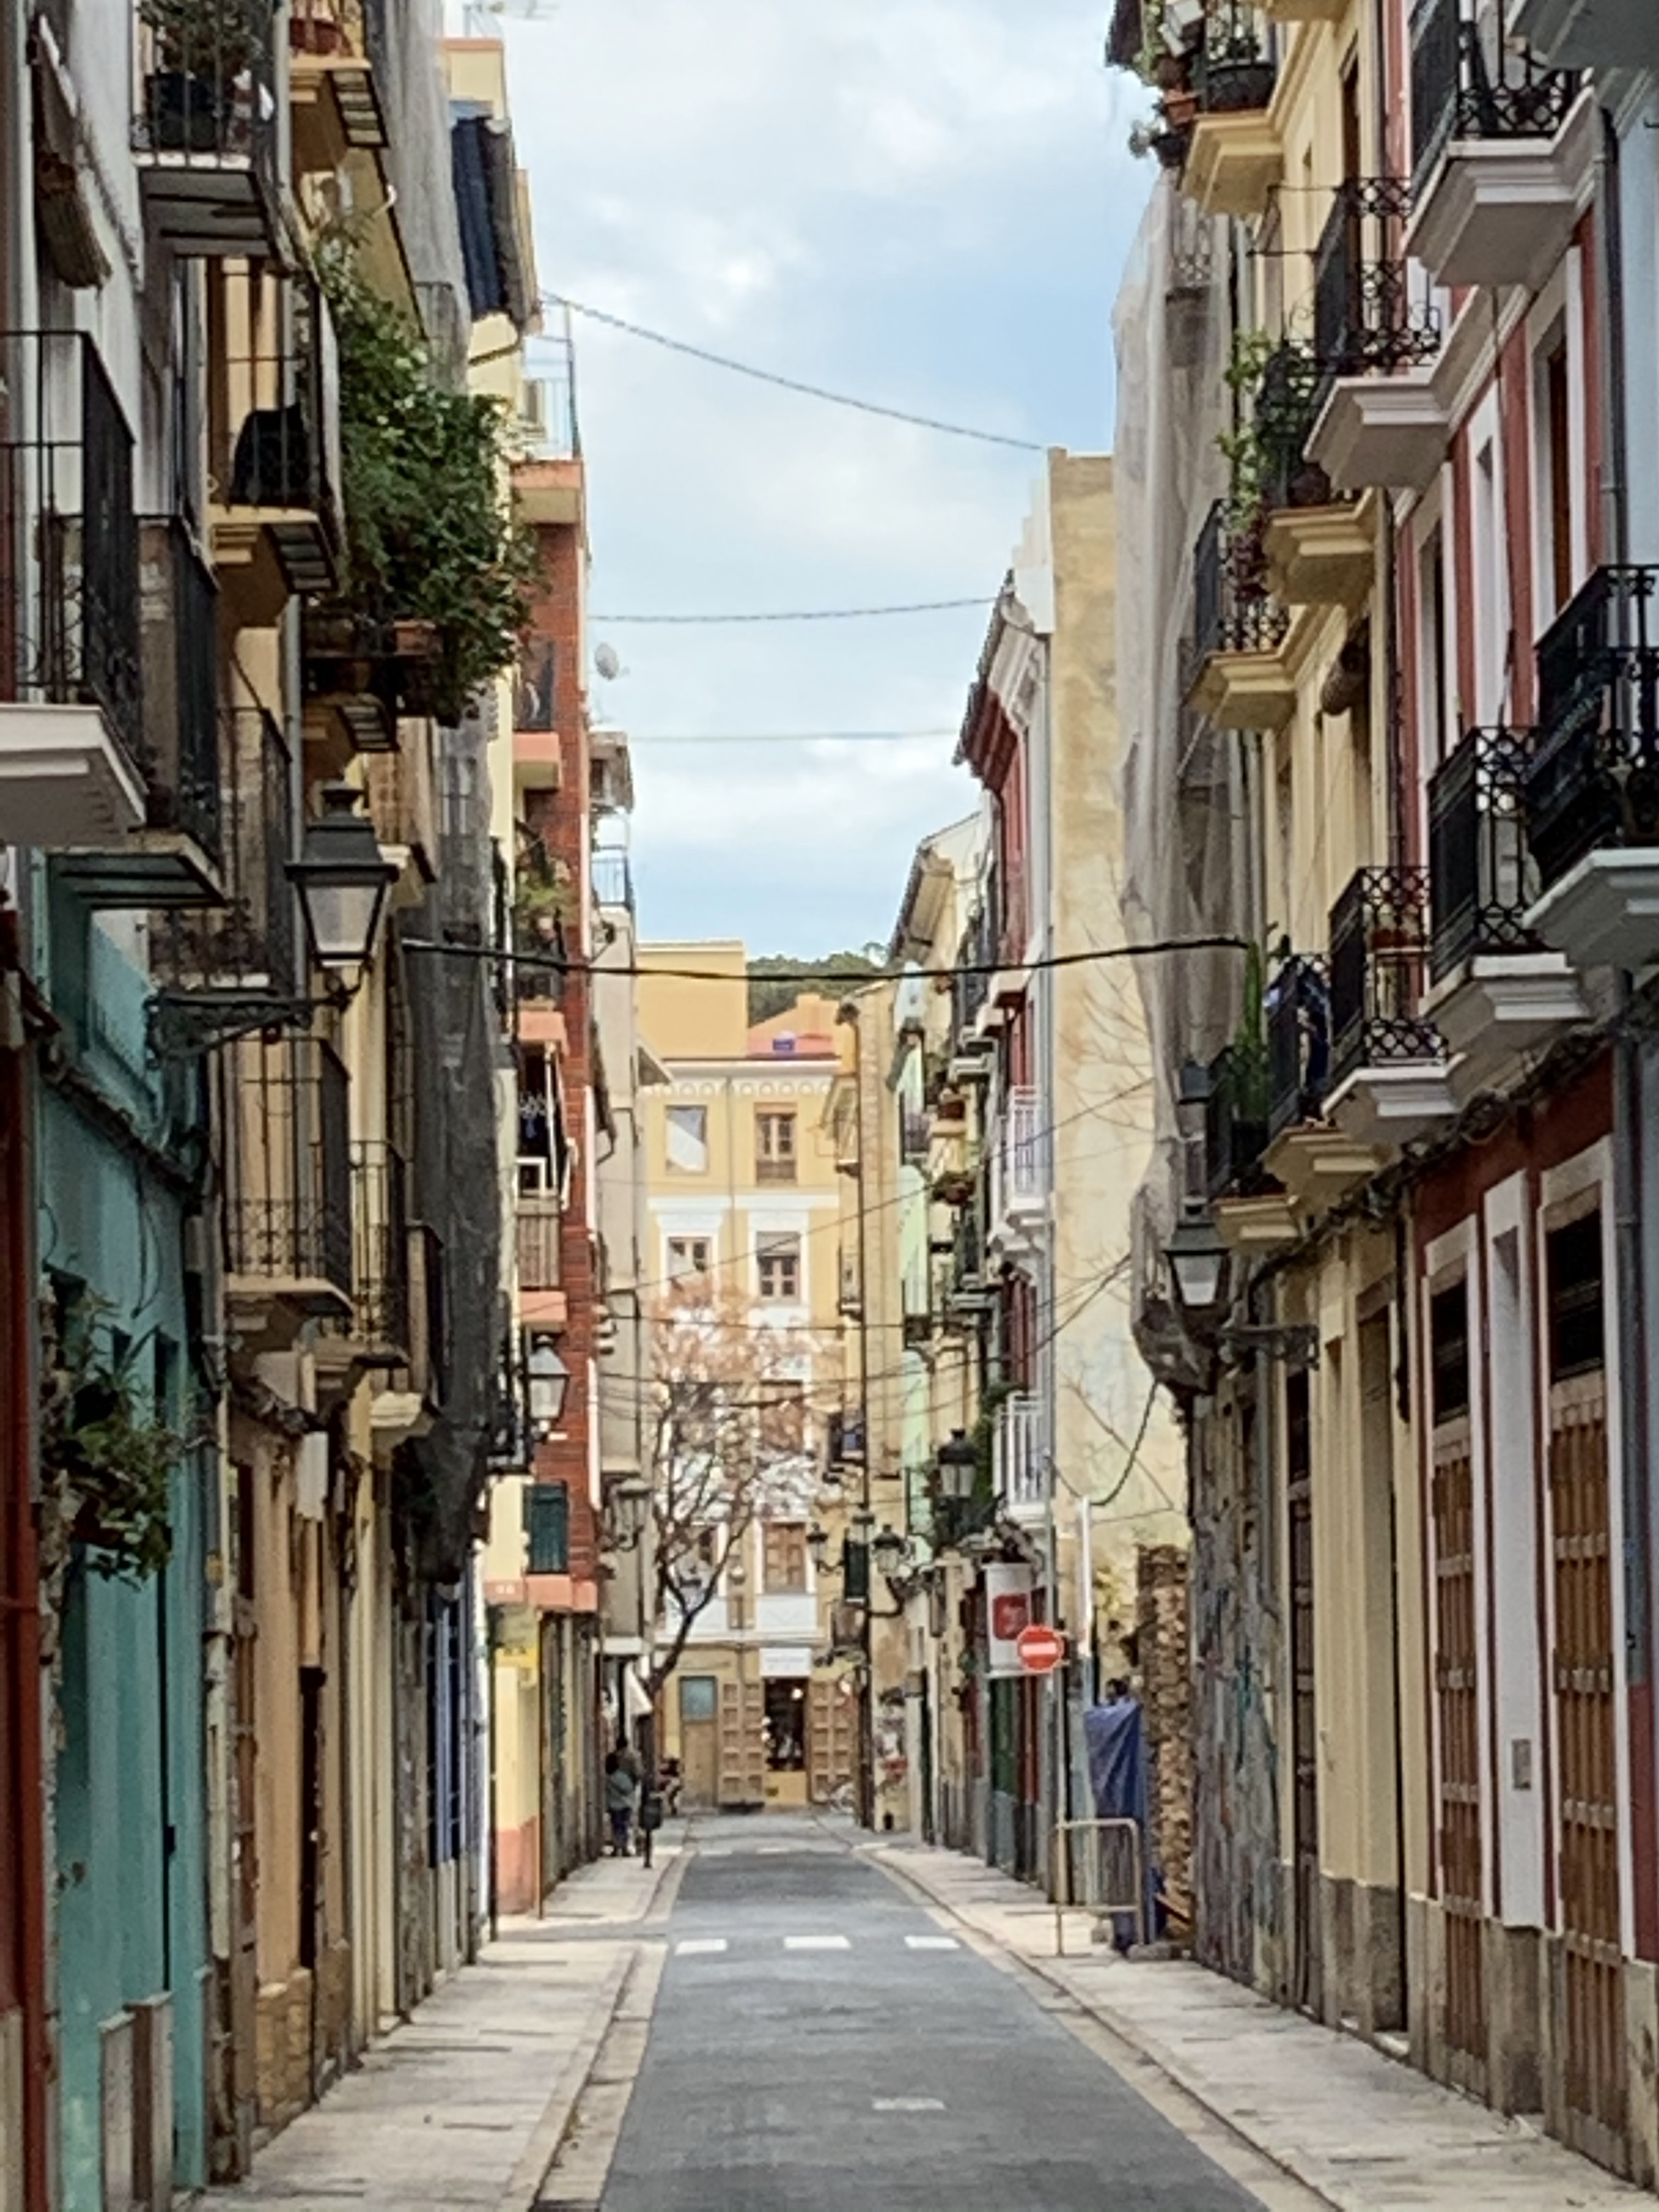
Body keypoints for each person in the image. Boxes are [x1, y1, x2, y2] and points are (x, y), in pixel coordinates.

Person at [604, 1750, 635, 1857]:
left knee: (616, 1827)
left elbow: (606, 1793)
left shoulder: (608, 1778)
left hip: (613, 1806)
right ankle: (624, 1848)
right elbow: (629, 1788)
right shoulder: (622, 1776)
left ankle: (616, 1848)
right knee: (624, 1827)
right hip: (625, 1804)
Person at [637, 1770, 664, 1869]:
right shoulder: (647, 1784)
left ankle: (647, 1859)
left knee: (647, 1835)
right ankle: (646, 1858)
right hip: (647, 1810)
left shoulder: (645, 1784)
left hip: (645, 1810)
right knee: (647, 1835)